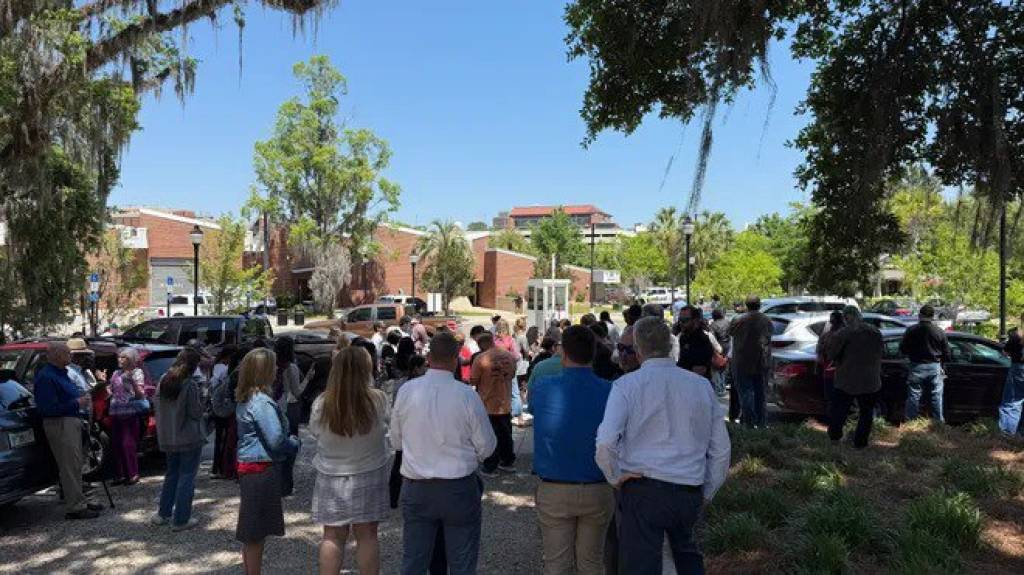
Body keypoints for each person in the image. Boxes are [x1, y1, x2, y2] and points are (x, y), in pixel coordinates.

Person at [596, 317, 730, 574]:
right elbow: (721, 448)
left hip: (643, 487)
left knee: (640, 565)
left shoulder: (626, 386)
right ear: (671, 346)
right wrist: (708, 490)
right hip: (688, 487)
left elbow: (606, 441)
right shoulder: (701, 386)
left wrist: (614, 476)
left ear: (638, 349)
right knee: (689, 557)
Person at [390, 331, 496, 575]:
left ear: (428, 358)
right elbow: (487, 446)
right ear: (456, 359)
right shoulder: (467, 396)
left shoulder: (407, 391)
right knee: (462, 562)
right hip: (458, 487)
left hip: (417, 486)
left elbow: (396, 441)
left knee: (414, 560)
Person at [529, 326, 613, 575]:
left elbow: (533, 408)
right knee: (592, 563)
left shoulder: (543, 386)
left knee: (557, 564)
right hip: (598, 485)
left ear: (563, 352)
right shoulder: (610, 390)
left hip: (555, 486)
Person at [310, 346, 391, 575]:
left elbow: (315, 432)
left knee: (332, 536)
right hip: (370, 470)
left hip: (331, 473)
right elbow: (388, 427)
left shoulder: (323, 402)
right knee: (367, 535)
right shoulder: (378, 399)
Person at [235, 348, 301, 575]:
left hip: (252, 467)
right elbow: (276, 440)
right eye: (273, 366)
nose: (276, 371)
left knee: (254, 530)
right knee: (255, 532)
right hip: (261, 469)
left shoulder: (248, 398)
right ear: (263, 371)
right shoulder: (262, 402)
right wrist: (294, 443)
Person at [33, 342, 101, 519]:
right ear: (57, 355)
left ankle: (80, 500)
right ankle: (75, 507)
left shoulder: (62, 373)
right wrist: (76, 403)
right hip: (60, 423)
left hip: (72, 421)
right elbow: (47, 408)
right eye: (67, 353)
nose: (71, 355)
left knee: (76, 464)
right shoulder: (47, 377)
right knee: (69, 465)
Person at [152, 348, 206, 531]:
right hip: (188, 436)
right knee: (187, 476)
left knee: (171, 474)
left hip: (168, 436)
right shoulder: (189, 384)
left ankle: (163, 513)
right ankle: (181, 519)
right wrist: (204, 399)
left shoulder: (163, 380)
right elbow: (196, 413)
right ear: (194, 365)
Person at [827, 306, 883, 448]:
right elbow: (881, 352)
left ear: (847, 317)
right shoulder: (875, 331)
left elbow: (832, 354)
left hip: (847, 379)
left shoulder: (843, 333)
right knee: (866, 413)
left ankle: (835, 438)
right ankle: (860, 443)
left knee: (839, 411)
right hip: (871, 379)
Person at [471, 330, 518, 476]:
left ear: (481, 344)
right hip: (505, 401)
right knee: (506, 434)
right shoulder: (509, 356)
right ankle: (507, 461)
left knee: (489, 437)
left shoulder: (480, 359)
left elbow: (473, 380)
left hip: (487, 402)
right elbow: (512, 375)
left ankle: (491, 465)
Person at [899, 304, 951, 423]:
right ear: (932, 316)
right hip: (934, 366)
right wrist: (943, 365)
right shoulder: (939, 331)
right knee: (936, 396)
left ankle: (911, 421)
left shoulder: (911, 330)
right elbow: (947, 353)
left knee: (914, 395)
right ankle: (938, 422)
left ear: (919, 315)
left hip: (916, 366)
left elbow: (903, 349)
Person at [729, 296, 775, 428]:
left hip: (741, 362)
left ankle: (749, 423)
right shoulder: (766, 320)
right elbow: (770, 334)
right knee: (761, 394)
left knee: (745, 393)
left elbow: (731, 332)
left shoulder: (738, 320)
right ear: (759, 305)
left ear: (746, 305)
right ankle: (761, 423)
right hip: (761, 361)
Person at [108, 348, 147, 485]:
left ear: (131, 360)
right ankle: (120, 474)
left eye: (123, 357)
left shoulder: (137, 372)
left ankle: (132, 473)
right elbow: (112, 390)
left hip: (129, 411)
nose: (120, 359)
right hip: (115, 411)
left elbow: (140, 394)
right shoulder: (116, 373)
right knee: (116, 443)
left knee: (127, 443)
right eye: (119, 357)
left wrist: (131, 381)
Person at [274, 336, 305, 497]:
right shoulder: (291, 367)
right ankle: (286, 485)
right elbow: (296, 392)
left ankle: (274, 483)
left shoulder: (270, 363)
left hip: (268, 407)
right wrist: (308, 378)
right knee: (288, 449)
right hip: (283, 409)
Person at [210, 346, 237, 480]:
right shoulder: (222, 369)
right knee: (223, 439)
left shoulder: (219, 367)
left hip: (220, 406)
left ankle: (219, 467)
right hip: (223, 407)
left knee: (221, 439)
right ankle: (220, 468)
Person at [816, 312, 845, 415]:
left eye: (833, 320)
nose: (832, 323)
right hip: (829, 371)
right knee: (830, 396)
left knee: (838, 397)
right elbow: (819, 350)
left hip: (841, 372)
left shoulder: (844, 334)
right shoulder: (827, 335)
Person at [677, 305, 716, 381]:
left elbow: (699, 372)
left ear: (695, 321)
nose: (681, 323)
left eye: (685, 320)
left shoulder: (701, 340)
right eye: (680, 320)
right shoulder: (683, 338)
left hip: (696, 384)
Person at [998, 328, 1024, 436]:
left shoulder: (1017, 336)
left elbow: (1005, 352)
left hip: (1019, 369)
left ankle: (1008, 434)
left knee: (1012, 402)